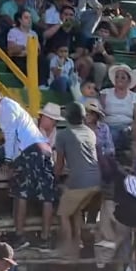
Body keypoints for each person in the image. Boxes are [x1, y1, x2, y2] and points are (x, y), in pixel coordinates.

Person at [0, 84, 56, 249]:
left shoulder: (4, 109)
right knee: (46, 196)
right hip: (43, 149)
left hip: (29, 150)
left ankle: (20, 236)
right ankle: (45, 239)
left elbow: (11, 137)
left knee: (19, 194)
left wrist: (9, 161)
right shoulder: (13, 105)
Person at [53, 103, 102, 256]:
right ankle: (78, 243)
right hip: (97, 181)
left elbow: (59, 165)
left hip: (79, 182)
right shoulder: (90, 132)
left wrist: (54, 178)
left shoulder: (63, 135)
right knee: (75, 210)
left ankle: (68, 249)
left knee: (63, 214)